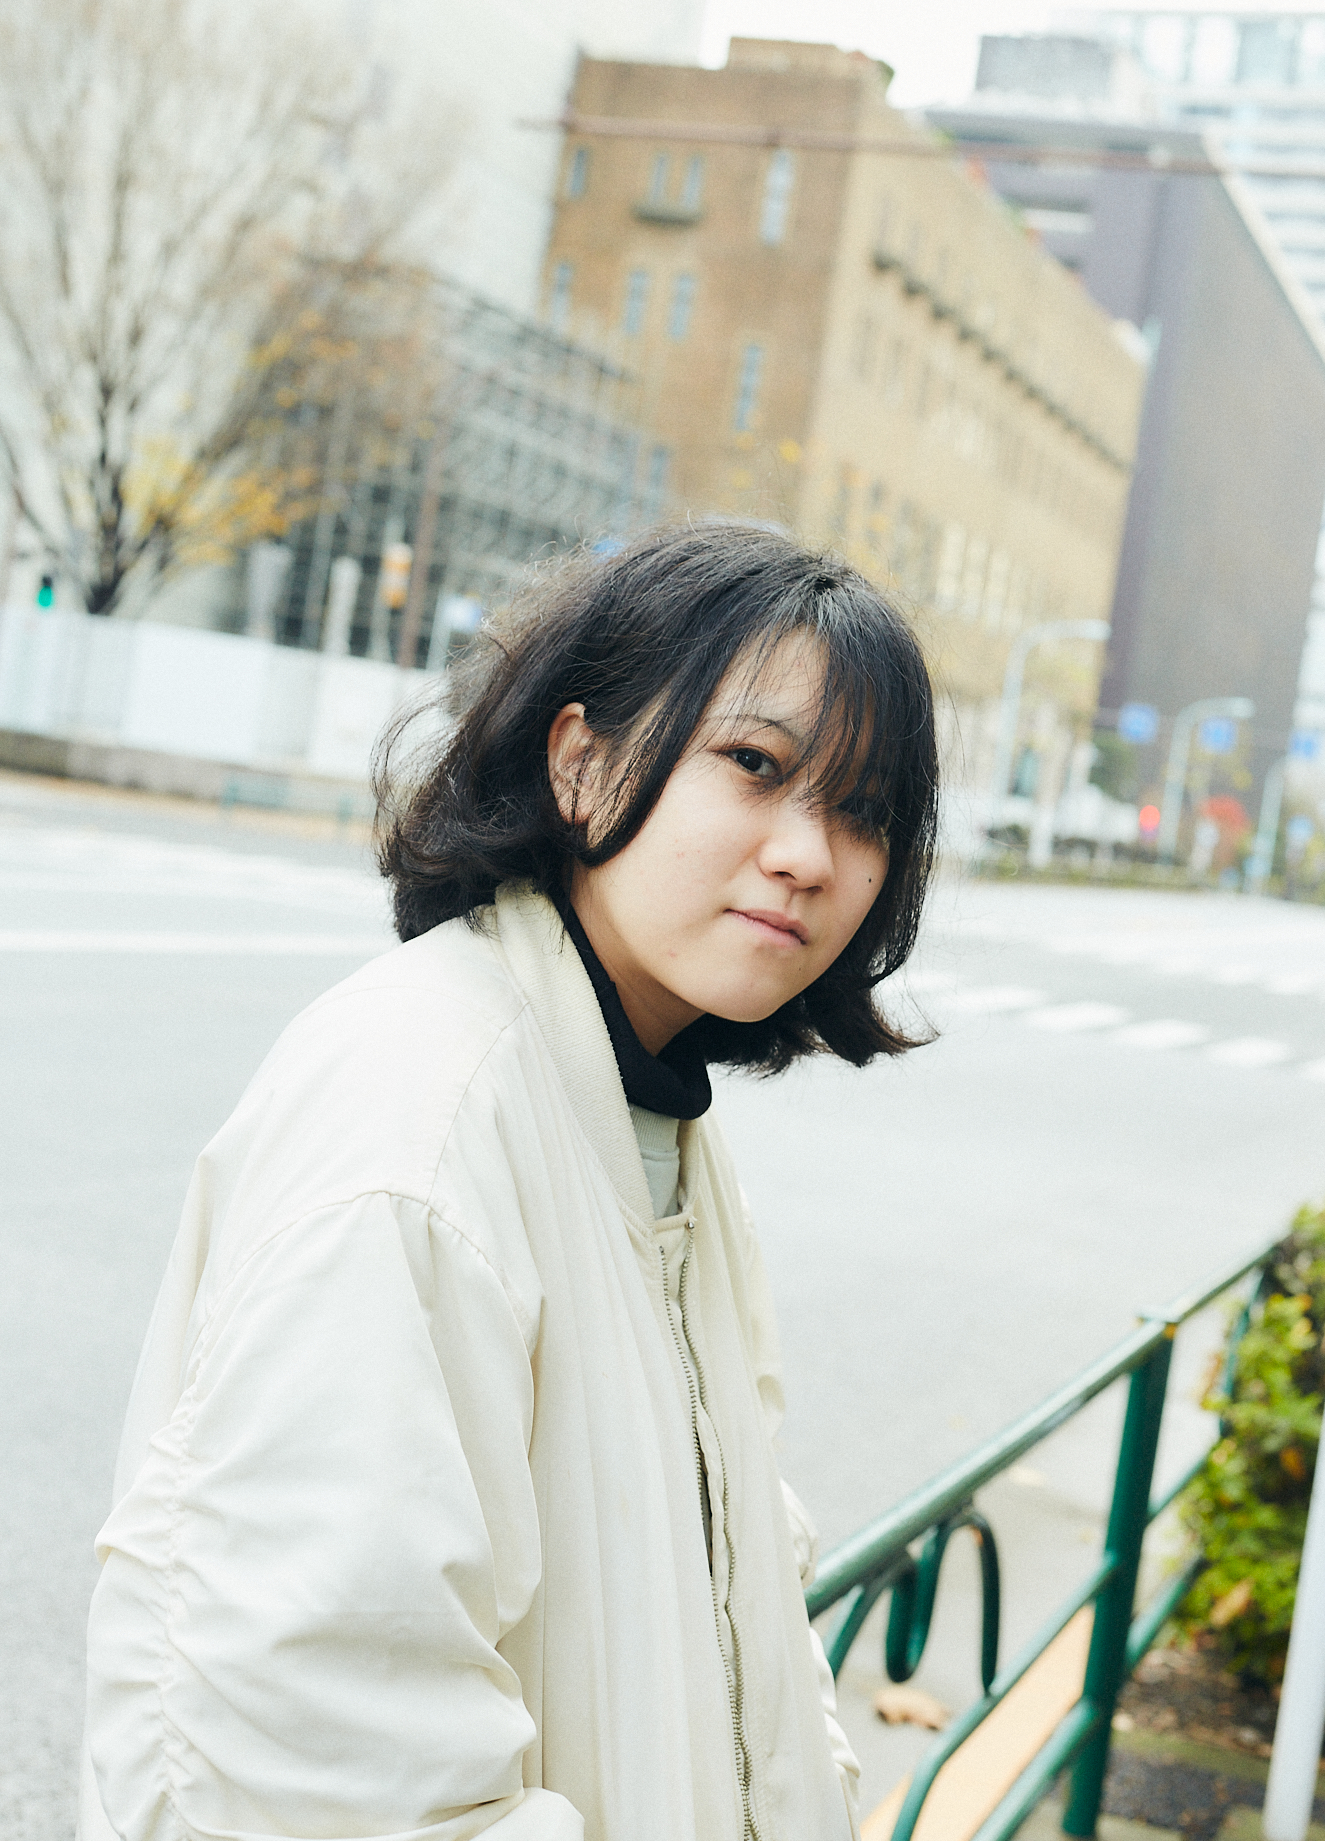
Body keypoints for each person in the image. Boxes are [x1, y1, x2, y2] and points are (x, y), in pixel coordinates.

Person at [80, 522, 939, 1841]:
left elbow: (741, 1601)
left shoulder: (645, 1111)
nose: (809, 855)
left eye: (864, 810)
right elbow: (320, 1754)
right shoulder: (419, 1117)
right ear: (581, 760)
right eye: (756, 765)